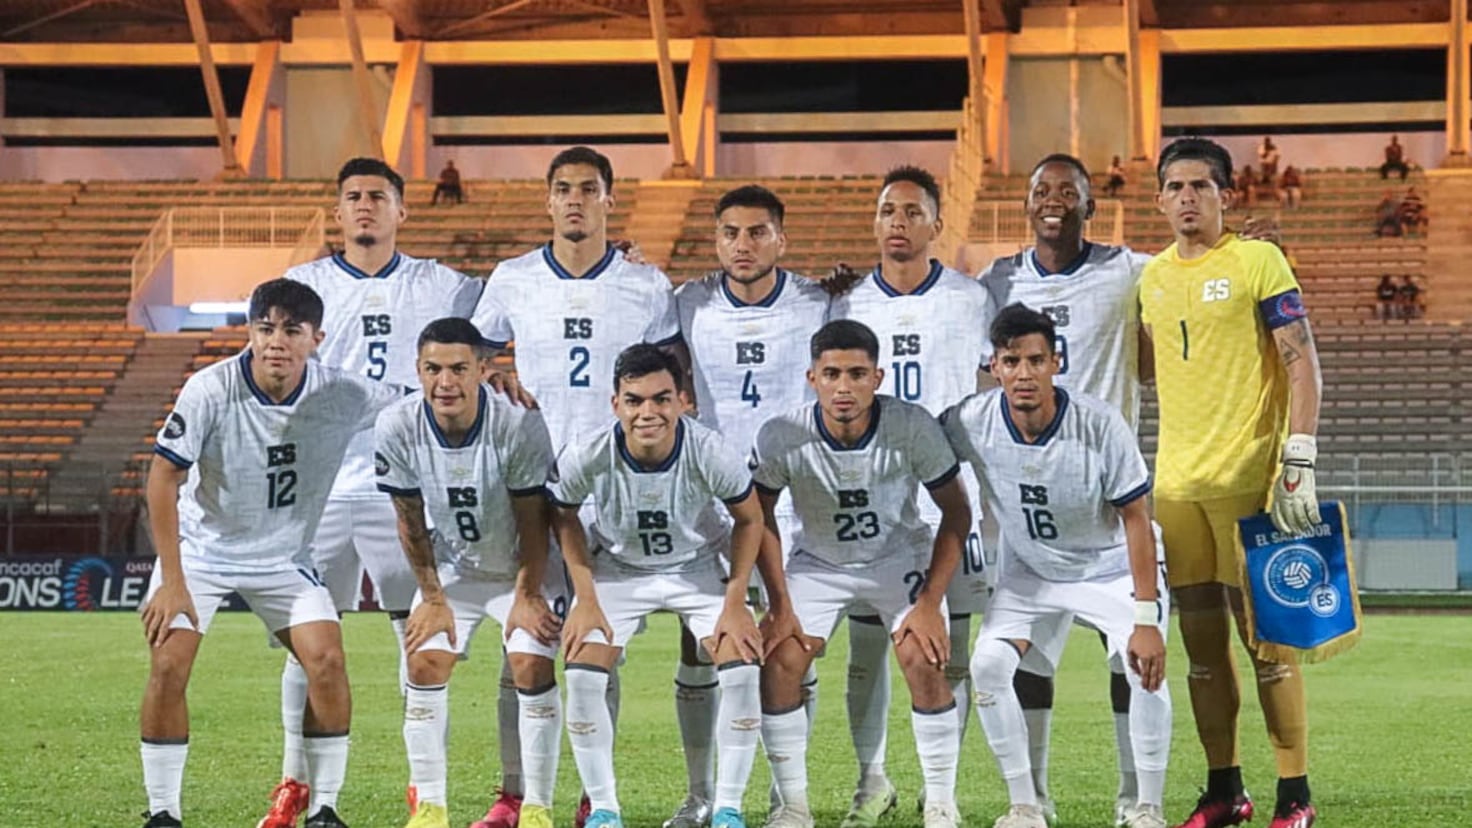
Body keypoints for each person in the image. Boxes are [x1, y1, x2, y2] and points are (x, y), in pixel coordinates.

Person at [471, 145, 686, 828]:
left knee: (600, 648)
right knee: (523, 643)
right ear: (548, 199)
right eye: (563, 188)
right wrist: (492, 372)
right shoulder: (511, 278)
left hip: (610, 491)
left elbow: (671, 378)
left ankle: (597, 795)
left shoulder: (646, 285)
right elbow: (470, 357)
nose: (574, 199)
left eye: (588, 189)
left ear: (609, 200)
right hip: (531, 487)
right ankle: (514, 794)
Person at [138, 279, 403, 828]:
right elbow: (163, 477)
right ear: (250, 333)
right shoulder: (210, 389)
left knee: (327, 660)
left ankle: (324, 809)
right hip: (203, 552)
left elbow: (420, 395)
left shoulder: (343, 393)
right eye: (265, 329)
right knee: (168, 662)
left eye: (292, 331)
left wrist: (484, 377)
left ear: (316, 339)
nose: (276, 341)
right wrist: (172, 581)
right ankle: (163, 812)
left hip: (285, 559)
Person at [277, 156, 490, 828]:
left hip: (405, 488)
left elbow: (520, 302)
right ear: (337, 211)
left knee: (419, 638)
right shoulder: (302, 287)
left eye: (377, 195)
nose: (364, 205)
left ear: (402, 209)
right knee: (309, 641)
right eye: (352, 196)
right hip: (321, 488)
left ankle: (425, 791)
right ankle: (295, 784)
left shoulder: (443, 285)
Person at [1141, 137, 1324, 828]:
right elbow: (1146, 366)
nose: (1187, 197)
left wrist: (1299, 456)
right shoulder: (1150, 278)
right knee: (1201, 653)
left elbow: (1302, 363)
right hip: (1177, 487)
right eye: (1175, 187)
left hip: (1252, 481)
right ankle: (1225, 791)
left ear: (1227, 195)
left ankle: (1294, 795)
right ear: (1159, 200)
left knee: (1268, 646)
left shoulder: (1258, 260)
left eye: (1201, 185)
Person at [977, 153, 1157, 825]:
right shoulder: (996, 280)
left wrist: (1242, 247)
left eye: (1068, 191)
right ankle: (1033, 801)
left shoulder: (1129, 268)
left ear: (1091, 206)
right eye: (1041, 190)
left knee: (1130, 658)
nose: (1053, 200)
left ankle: (1134, 799)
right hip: (1032, 508)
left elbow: (1191, 272)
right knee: (1026, 661)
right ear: (1026, 204)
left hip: (1108, 499)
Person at [943, 303, 1171, 828]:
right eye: (1011, 361)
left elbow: (1137, 518)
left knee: (1144, 669)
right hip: (1032, 572)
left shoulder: (1100, 423)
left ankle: (1146, 808)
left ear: (1056, 363)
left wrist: (1145, 617)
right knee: (988, 667)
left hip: (1109, 567)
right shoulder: (971, 420)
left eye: (1035, 360)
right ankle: (1026, 805)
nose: (1024, 373)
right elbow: (917, 444)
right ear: (994, 367)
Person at [753, 319, 972, 828]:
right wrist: (779, 604)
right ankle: (792, 806)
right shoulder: (782, 433)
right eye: (831, 374)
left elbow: (957, 511)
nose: (844, 387)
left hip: (897, 558)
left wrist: (929, 603)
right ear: (812, 378)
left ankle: (941, 803)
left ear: (877, 377)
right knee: (781, 660)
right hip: (819, 563)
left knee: (922, 656)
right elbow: (758, 517)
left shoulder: (911, 425)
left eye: (856, 374)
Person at [827, 166, 991, 828]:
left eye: (912, 211)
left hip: (949, 497)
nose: (899, 222)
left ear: (936, 224)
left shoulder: (972, 299)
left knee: (951, 647)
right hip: (872, 500)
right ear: (875, 223)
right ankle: (872, 779)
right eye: (888, 211)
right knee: (867, 647)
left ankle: (938, 787)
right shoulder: (844, 304)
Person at [670, 184, 832, 828]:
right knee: (701, 649)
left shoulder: (818, 301)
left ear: (781, 240)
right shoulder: (688, 302)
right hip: (714, 503)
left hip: (793, 501)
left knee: (792, 645)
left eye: (758, 232)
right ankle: (699, 794)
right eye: (731, 233)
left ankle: (785, 797)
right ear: (716, 240)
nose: (743, 244)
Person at [552, 344, 766, 828]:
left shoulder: (710, 450)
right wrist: (585, 598)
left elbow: (750, 519)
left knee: (741, 668)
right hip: (619, 569)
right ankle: (604, 811)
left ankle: (726, 808)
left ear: (682, 401)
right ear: (616, 404)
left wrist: (736, 601)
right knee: (582, 673)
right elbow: (562, 514)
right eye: (634, 400)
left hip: (696, 567)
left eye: (661, 399)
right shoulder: (588, 452)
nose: (648, 412)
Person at [376, 318, 565, 828]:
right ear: (418, 370)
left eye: (459, 369)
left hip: (526, 568)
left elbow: (534, 518)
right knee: (423, 662)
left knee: (529, 664)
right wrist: (433, 597)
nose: (445, 382)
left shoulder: (517, 422)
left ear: (483, 369)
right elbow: (408, 518)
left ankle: (537, 807)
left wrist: (527, 595)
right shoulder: (397, 425)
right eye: (433, 369)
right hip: (457, 569)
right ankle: (431, 807)